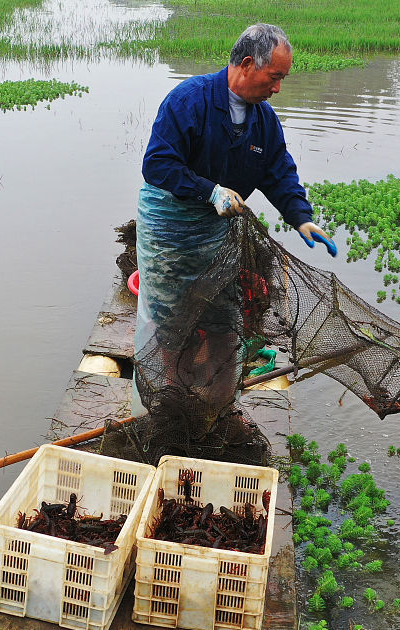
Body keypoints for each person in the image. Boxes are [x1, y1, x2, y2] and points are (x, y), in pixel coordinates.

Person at [133, 23, 335, 421]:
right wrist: (209, 191)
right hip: (170, 230)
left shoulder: (264, 120)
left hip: (218, 233)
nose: (278, 87)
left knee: (224, 317)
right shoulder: (188, 100)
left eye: (282, 79)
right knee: (171, 319)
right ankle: (169, 404)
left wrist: (301, 218)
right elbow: (157, 164)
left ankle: (220, 408)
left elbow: (279, 171)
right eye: (274, 77)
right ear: (247, 64)